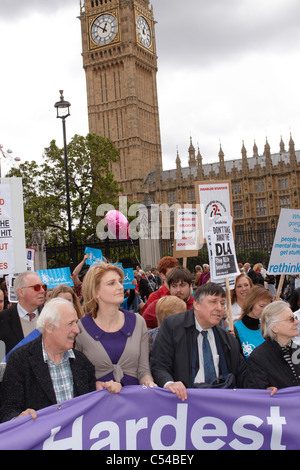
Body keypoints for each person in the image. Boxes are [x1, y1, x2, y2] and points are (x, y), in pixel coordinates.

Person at [0, 298, 96, 422]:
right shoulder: (20, 360)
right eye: (70, 323)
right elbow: (8, 408)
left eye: (76, 323)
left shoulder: (82, 363)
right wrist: (18, 418)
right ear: (49, 327)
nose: (77, 330)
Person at [150, 283, 247, 401]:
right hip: (184, 403)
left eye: (222, 303)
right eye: (213, 302)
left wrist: (265, 388)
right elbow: (159, 365)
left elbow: (243, 373)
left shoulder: (228, 338)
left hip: (220, 403)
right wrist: (169, 383)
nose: (220, 308)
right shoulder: (173, 326)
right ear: (196, 304)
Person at [75, 263, 156, 394]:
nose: (120, 287)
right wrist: (95, 385)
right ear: (95, 292)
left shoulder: (138, 322)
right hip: (99, 407)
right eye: (111, 283)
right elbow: (78, 376)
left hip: (135, 406)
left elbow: (143, 370)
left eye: (120, 282)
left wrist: (149, 382)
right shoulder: (80, 328)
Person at [245, 300, 300, 391]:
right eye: (291, 319)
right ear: (274, 328)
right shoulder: (259, 357)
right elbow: (256, 393)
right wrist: (266, 391)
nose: (297, 322)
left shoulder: (297, 350)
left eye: (296, 318)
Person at [0, 272, 46, 356]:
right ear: (21, 292)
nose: (42, 291)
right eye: (36, 287)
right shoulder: (3, 318)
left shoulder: (49, 316)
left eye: (43, 287)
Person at [232, 286, 272, 360]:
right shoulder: (234, 330)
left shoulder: (268, 327)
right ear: (250, 304)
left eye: (267, 307)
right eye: (261, 306)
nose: (264, 310)